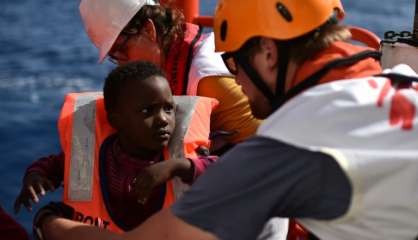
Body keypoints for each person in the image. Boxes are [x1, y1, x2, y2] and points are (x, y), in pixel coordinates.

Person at [34, 0, 418, 239]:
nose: (233, 77)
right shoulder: (403, 79)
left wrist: (50, 224)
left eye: (234, 61)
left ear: (268, 52)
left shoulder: (289, 141)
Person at [15, 61, 218, 232]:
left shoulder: (183, 157)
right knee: (48, 218)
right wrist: (36, 176)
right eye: (148, 111)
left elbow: (223, 169)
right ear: (115, 120)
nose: (163, 120)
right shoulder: (90, 155)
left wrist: (176, 166)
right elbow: (54, 165)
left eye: (168, 108)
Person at [79, 0, 261, 152]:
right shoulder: (172, 63)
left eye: (121, 50)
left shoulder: (208, 79)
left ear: (149, 31)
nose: (120, 63)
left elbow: (268, 150)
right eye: (113, 56)